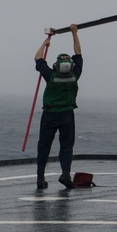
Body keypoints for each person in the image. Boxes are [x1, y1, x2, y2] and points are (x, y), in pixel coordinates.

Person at [33, 24, 83, 190]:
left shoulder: (50, 75)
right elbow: (78, 53)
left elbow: (38, 58)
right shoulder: (75, 76)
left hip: (49, 115)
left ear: (56, 65)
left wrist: (45, 42)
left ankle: (40, 177)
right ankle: (65, 174)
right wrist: (74, 34)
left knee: (44, 146)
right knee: (66, 146)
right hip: (67, 115)